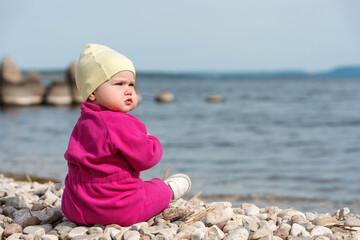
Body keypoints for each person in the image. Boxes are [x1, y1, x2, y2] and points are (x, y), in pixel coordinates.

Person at [61, 43, 191, 226]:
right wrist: (151, 140)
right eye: (119, 84)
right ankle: (169, 190)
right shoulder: (120, 122)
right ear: (92, 92)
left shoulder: (83, 122)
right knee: (153, 190)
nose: (129, 90)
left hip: (75, 206)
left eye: (131, 84)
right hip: (116, 209)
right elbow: (147, 158)